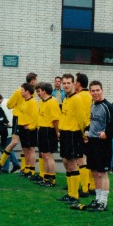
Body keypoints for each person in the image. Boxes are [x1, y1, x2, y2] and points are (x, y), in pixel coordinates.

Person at [72, 81, 113, 211]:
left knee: (102, 173)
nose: (95, 93)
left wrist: (107, 133)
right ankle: (98, 199)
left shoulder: (108, 106)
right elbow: (92, 122)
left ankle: (103, 202)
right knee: (94, 172)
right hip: (92, 143)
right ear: (90, 92)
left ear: (102, 90)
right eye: (93, 91)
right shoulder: (93, 105)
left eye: (97, 90)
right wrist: (87, 131)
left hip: (103, 144)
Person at [56, 74, 88, 205]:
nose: (66, 85)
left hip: (73, 134)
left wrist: (84, 134)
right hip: (65, 134)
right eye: (64, 83)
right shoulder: (66, 99)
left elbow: (82, 119)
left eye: (68, 83)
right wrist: (60, 131)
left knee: (73, 163)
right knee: (66, 163)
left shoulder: (77, 99)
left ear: (74, 84)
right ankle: (70, 193)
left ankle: (75, 195)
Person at [0, 73, 38, 175]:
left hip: (27, 120)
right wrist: (19, 107)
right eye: (36, 80)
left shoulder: (32, 94)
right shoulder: (18, 91)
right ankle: (1, 163)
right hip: (18, 119)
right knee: (15, 142)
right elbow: (9, 105)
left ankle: (24, 168)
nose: (37, 82)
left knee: (26, 146)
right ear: (32, 80)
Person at [35, 82, 61, 187]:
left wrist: (57, 132)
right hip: (41, 129)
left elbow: (56, 119)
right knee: (44, 155)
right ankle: (46, 178)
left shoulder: (53, 102)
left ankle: (52, 179)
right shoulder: (41, 102)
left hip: (48, 130)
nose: (37, 93)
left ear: (44, 91)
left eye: (39, 91)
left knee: (48, 155)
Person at [74, 73, 95, 197]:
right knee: (89, 158)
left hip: (82, 129)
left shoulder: (78, 97)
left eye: (74, 81)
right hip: (92, 128)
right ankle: (91, 186)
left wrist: (83, 132)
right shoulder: (91, 95)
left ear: (78, 83)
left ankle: (84, 188)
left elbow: (80, 116)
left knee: (81, 159)